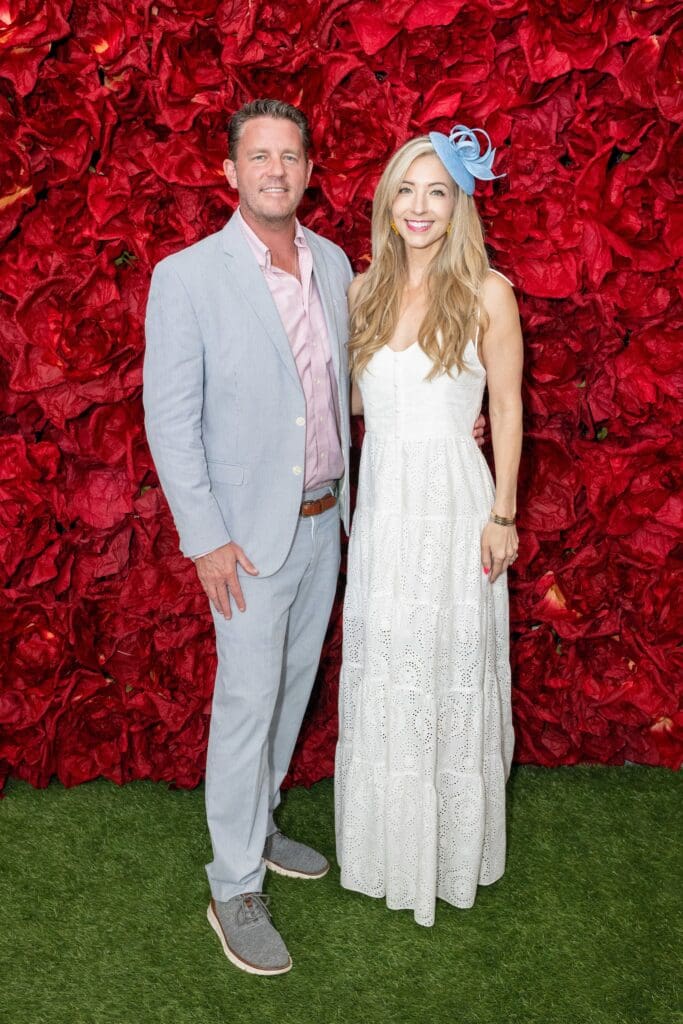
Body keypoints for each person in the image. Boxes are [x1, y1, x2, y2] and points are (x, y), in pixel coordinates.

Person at [143, 99, 354, 976]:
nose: (276, 170)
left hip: (323, 520)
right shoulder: (187, 277)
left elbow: (340, 389)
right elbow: (169, 417)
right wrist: (206, 541)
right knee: (244, 705)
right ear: (229, 174)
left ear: (308, 171)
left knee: (292, 686)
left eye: (290, 156)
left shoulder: (335, 264)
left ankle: (260, 825)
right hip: (245, 542)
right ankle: (232, 882)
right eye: (258, 157)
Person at [335, 125, 523, 927]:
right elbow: (356, 404)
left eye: (436, 191)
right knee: (389, 666)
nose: (418, 207)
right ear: (386, 199)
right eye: (405, 190)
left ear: (458, 205)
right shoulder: (361, 289)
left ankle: (445, 849)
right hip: (383, 507)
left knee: (446, 663)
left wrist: (502, 512)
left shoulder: (487, 290)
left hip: (454, 507)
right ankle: (384, 848)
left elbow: (509, 405)